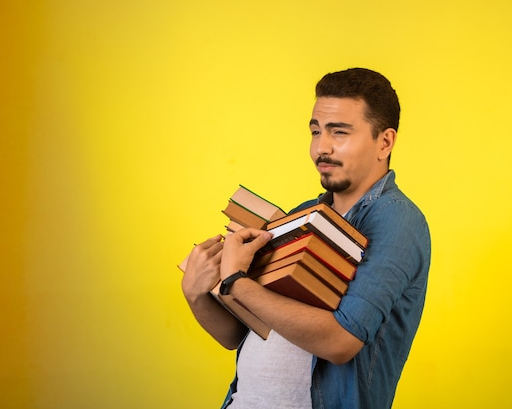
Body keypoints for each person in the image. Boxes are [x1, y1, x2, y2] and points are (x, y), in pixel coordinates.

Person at [181, 68, 431, 409]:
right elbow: (240, 333)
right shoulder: (304, 215)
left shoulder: (397, 221)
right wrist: (198, 294)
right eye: (316, 132)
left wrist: (235, 282)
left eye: (339, 132)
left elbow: (342, 342)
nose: (321, 148)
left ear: (384, 142)